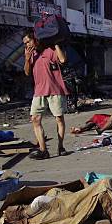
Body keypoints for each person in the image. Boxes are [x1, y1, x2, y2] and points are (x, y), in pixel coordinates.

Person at [23, 29, 70, 159]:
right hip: (39, 91)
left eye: (28, 41)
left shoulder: (49, 51)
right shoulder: (31, 55)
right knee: (35, 119)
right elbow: (27, 73)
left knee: (59, 119)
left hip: (55, 90)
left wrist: (54, 43)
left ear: (35, 39)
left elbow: (62, 59)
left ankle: (60, 147)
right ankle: (43, 150)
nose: (27, 45)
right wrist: (27, 59)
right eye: (25, 43)